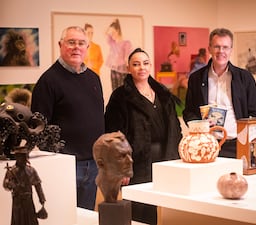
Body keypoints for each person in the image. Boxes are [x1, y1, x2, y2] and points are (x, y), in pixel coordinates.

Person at [105, 48, 182, 225]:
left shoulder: (162, 93)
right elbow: (113, 134)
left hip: (164, 159)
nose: (142, 68)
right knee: (136, 208)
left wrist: (176, 158)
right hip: (135, 161)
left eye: (145, 63)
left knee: (155, 206)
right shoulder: (120, 97)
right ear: (128, 68)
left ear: (150, 65)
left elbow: (174, 128)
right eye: (136, 64)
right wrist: (122, 167)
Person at [31, 26, 105, 210]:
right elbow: (38, 128)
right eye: (71, 42)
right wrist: (55, 162)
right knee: (64, 215)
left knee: (86, 215)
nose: (76, 47)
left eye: (81, 43)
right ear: (60, 45)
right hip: (64, 165)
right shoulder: (48, 81)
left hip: (93, 164)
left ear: (87, 47)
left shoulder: (94, 79)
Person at [183, 28, 256, 158]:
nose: (221, 51)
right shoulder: (196, 78)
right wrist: (200, 124)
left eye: (225, 47)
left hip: (237, 145)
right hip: (206, 145)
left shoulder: (245, 78)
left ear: (231, 50)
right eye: (217, 47)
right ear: (209, 48)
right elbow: (188, 112)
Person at [3, 147, 47, 225]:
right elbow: (6, 186)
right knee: (18, 220)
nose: (22, 158)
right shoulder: (12, 171)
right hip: (17, 201)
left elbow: (38, 186)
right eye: (20, 156)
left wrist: (42, 199)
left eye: (24, 156)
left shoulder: (31, 170)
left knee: (30, 219)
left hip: (28, 200)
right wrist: (10, 184)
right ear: (16, 157)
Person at [92, 131, 133, 203]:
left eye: (129, 154)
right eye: (121, 156)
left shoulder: (117, 182)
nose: (130, 160)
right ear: (101, 163)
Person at [105, 18, 133, 91]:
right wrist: (112, 24)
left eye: (113, 32)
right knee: (114, 90)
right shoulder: (112, 43)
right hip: (113, 69)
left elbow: (127, 58)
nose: (111, 35)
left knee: (122, 90)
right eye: (111, 33)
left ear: (118, 31)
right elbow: (106, 34)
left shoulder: (126, 43)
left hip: (122, 70)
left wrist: (130, 70)